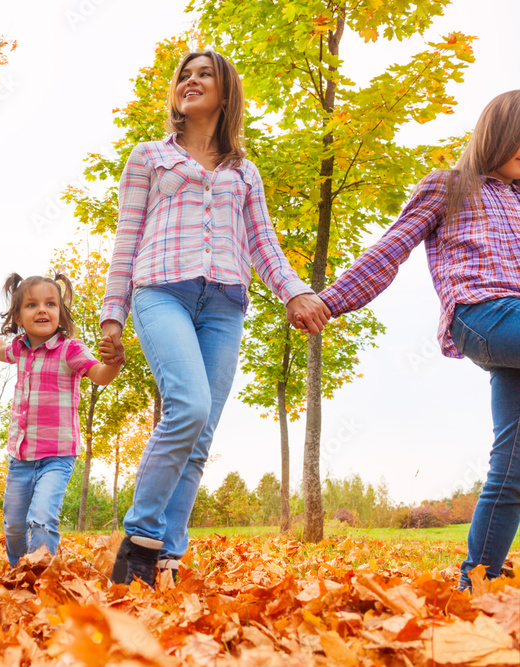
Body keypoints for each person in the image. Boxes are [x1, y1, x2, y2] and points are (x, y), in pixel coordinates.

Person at [100, 50, 331, 586]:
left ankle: (167, 559)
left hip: (225, 303)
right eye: (186, 74)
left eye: (205, 74)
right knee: (189, 406)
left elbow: (265, 246)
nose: (192, 80)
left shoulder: (244, 171)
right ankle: (139, 538)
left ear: (225, 93)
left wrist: (295, 293)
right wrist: (114, 312)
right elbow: (125, 239)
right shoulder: (149, 157)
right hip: (161, 292)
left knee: (200, 435)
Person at [317, 90, 520, 591]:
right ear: (500, 132)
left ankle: (477, 586)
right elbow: (391, 249)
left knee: (513, 463)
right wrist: (330, 300)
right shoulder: (447, 186)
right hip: (483, 315)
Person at [0, 273, 122, 566]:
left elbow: (100, 377)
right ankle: (19, 570)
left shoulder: (71, 349)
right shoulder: (19, 349)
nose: (42, 310)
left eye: (50, 304)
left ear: (60, 312)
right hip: (20, 457)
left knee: (41, 517)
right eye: (32, 305)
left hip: (57, 455)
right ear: (18, 315)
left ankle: (40, 573)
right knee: (14, 524)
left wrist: (113, 363)